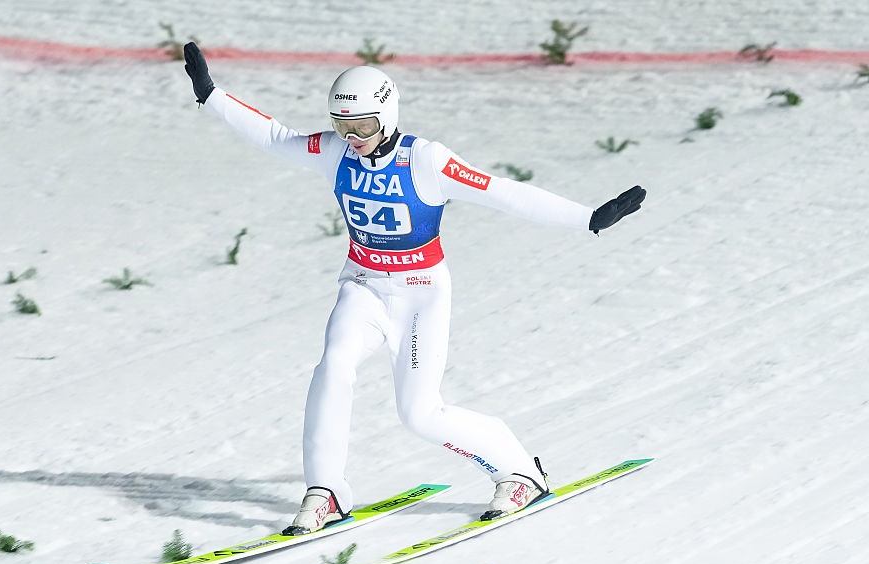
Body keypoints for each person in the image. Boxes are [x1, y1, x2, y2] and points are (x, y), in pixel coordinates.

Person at [182, 43, 646, 535]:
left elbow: (502, 191)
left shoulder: (427, 161)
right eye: (343, 126)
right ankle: (325, 492)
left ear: (387, 115)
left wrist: (587, 219)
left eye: (361, 126)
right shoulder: (335, 152)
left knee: (420, 414)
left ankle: (519, 473)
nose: (352, 138)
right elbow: (276, 136)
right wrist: (212, 95)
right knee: (333, 367)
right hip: (362, 286)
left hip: (421, 293)